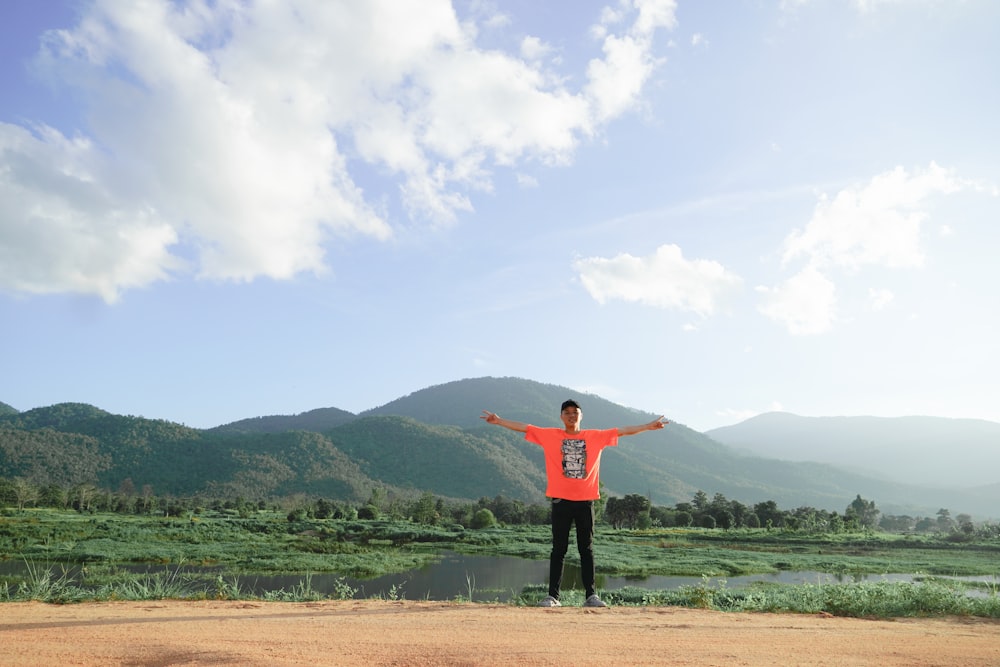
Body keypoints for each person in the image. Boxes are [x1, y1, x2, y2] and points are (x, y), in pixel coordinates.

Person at [480, 399, 668, 608]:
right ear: (561, 417)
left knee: (586, 550)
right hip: (561, 501)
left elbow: (623, 430)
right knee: (558, 549)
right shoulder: (551, 435)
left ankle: (591, 596)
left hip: (585, 502)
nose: (571, 415)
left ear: (581, 416)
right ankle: (553, 597)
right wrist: (498, 421)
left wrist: (648, 426)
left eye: (575, 412)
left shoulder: (595, 437)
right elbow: (524, 427)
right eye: (567, 412)